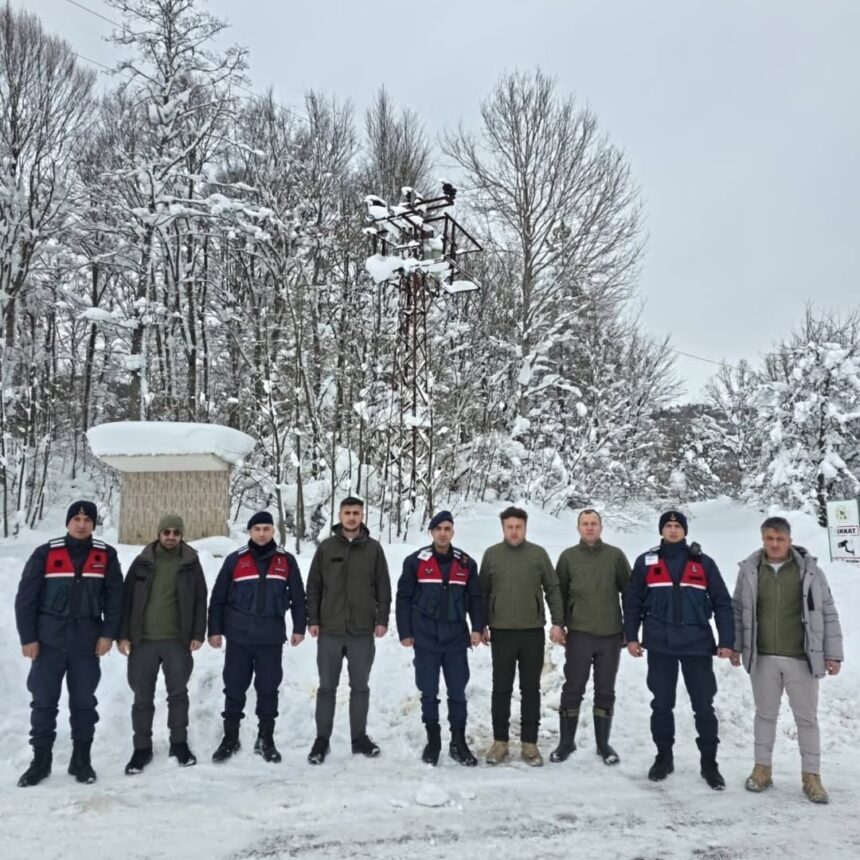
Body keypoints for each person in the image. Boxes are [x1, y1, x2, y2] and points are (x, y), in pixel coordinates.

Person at [731, 516, 843, 803]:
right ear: (763, 540)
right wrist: (734, 646)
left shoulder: (810, 571)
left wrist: (832, 654)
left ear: (790, 540)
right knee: (765, 715)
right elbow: (738, 611)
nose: (775, 544)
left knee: (807, 719)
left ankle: (811, 776)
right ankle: (762, 769)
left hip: (801, 658)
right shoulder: (751, 570)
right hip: (764, 657)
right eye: (769, 538)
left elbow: (827, 612)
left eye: (780, 539)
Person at [15, 500, 123, 786]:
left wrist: (108, 634)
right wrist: (28, 638)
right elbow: (26, 599)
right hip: (48, 642)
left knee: (84, 703)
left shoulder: (105, 556)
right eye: (75, 518)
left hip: (86, 644)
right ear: (67, 522)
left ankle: (81, 760)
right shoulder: (46, 553)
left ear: (94, 524)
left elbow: (115, 600)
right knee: (43, 704)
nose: (81, 523)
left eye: (87, 519)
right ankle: (41, 761)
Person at [624, 510, 734, 789]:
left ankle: (709, 763)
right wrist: (631, 637)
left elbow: (722, 602)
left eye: (677, 526)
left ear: (685, 531)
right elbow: (633, 601)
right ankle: (664, 757)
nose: (673, 530)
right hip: (660, 644)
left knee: (703, 707)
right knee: (661, 704)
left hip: (696, 644)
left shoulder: (702, 563)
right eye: (668, 526)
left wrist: (726, 641)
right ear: (661, 530)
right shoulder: (646, 562)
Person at [207, 511, 306, 764]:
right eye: (257, 529)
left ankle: (265, 739)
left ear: (273, 531)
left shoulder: (286, 561)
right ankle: (230, 737)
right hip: (239, 637)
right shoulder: (235, 560)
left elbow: (298, 597)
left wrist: (299, 627)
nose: (262, 533)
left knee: (268, 688)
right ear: (250, 532)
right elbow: (218, 597)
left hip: (270, 638)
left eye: (266, 528)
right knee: (234, 687)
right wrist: (215, 630)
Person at [118, 514, 208, 774]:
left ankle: (179, 743)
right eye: (166, 532)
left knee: (178, 695)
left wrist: (198, 633)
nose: (171, 536)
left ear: (182, 535)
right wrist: (123, 634)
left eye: (176, 533)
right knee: (142, 697)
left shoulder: (190, 563)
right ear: (159, 533)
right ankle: (141, 748)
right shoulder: (142, 562)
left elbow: (201, 598)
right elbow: (126, 600)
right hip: (143, 641)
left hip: (176, 642)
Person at [305, 496, 391, 764]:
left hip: (361, 631)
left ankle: (359, 738)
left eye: (356, 512)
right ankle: (322, 740)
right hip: (330, 629)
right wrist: (313, 620)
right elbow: (314, 587)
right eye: (347, 513)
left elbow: (384, 588)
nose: (351, 517)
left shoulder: (374, 549)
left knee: (360, 687)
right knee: (326, 688)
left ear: (362, 515)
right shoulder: (326, 548)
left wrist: (382, 619)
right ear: (340, 515)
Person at [396, 510, 484, 766]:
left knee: (457, 691)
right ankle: (433, 740)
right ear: (431, 532)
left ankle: (458, 742)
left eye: (447, 528)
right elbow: (404, 598)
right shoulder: (415, 561)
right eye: (438, 529)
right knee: (429, 690)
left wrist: (477, 627)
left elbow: (475, 599)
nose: (443, 533)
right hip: (425, 638)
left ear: (452, 532)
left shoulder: (466, 563)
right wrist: (405, 632)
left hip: (456, 638)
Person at [479, 506, 565, 767]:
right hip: (502, 633)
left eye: (518, 527)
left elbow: (552, 588)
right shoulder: (492, 555)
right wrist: (481, 624)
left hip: (531, 633)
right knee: (501, 689)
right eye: (509, 527)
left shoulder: (538, 555)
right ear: (503, 528)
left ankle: (529, 743)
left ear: (525, 528)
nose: (514, 531)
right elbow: (482, 592)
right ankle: (500, 742)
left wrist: (558, 622)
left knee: (530, 689)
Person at [552, 508, 631, 765]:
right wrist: (559, 624)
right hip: (579, 634)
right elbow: (558, 594)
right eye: (585, 523)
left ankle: (603, 744)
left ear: (601, 527)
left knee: (605, 690)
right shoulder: (568, 558)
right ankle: (566, 742)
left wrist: (629, 630)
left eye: (593, 523)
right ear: (578, 528)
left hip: (610, 635)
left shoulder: (615, 556)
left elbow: (629, 593)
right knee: (573, 687)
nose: (589, 528)